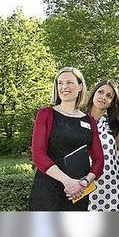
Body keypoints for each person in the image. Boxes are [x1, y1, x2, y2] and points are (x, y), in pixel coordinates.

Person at [29, 67, 103, 211]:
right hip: (47, 191)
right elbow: (38, 155)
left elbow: (99, 160)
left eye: (69, 82)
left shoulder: (89, 121)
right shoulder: (46, 114)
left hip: (78, 193)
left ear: (80, 86)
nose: (64, 87)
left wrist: (85, 182)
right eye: (60, 83)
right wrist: (67, 182)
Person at [86, 79, 119, 212]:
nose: (103, 97)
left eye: (109, 96)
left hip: (110, 186)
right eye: (101, 92)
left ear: (111, 103)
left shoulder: (116, 125)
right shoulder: (77, 119)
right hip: (82, 183)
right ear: (93, 94)